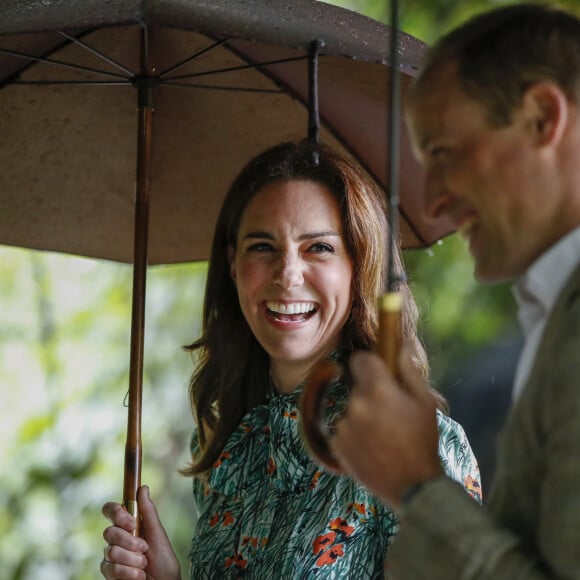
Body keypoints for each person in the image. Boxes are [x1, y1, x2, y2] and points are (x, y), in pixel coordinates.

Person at [100, 140, 480, 579]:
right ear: (232, 263)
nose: (287, 274)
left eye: (318, 247)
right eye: (263, 246)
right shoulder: (229, 449)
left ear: (360, 265)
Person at [328, 4, 580, 579]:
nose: (434, 200)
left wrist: (417, 485)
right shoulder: (555, 312)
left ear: (542, 117)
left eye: (443, 154)